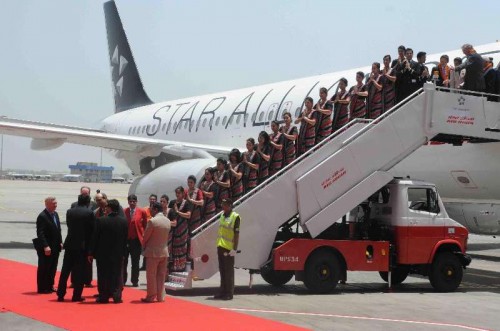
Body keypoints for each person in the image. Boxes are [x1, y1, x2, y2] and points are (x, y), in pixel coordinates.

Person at [56, 194, 95, 302]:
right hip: (82, 246)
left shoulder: (70, 211)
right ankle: (76, 295)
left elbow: (69, 225)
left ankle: (60, 294)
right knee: (80, 272)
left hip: (70, 244)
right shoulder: (89, 213)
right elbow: (91, 231)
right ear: (88, 202)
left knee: (65, 271)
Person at [88, 199, 128, 304]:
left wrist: (91, 252)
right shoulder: (123, 221)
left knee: (103, 275)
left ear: (109, 208)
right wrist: (124, 253)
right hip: (118, 253)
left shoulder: (101, 221)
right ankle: (117, 296)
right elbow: (125, 239)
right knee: (116, 275)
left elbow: (94, 238)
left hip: (103, 254)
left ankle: (104, 296)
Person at [141, 202, 171, 303]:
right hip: (164, 251)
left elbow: (146, 237)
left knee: (151, 275)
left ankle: (151, 296)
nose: (151, 211)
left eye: (152, 209)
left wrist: (143, 245)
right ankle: (160, 296)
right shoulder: (167, 221)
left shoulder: (152, 221)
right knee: (161, 275)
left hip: (153, 252)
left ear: (156, 210)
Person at [214, 198, 240, 301]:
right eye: (222, 204)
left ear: (230, 205)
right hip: (220, 246)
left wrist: (234, 249)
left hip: (229, 248)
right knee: (222, 270)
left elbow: (237, 235)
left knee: (228, 271)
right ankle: (222, 291)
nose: (222, 206)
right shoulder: (222, 215)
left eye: (224, 204)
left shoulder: (235, 217)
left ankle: (229, 293)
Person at [35, 196, 62, 294]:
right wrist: (45, 246)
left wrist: (60, 241)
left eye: (56, 203)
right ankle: (42, 288)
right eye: (53, 203)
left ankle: (50, 285)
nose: (56, 205)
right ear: (47, 204)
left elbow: (58, 230)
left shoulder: (55, 214)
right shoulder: (42, 216)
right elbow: (40, 233)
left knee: (53, 267)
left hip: (55, 246)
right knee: (44, 267)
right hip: (47, 247)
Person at [123, 194, 148, 287]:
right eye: (130, 201)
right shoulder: (124, 211)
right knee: (124, 261)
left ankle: (134, 280)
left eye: (134, 201)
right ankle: (123, 280)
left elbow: (145, 225)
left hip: (136, 240)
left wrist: (143, 237)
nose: (132, 203)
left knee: (135, 262)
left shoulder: (141, 211)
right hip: (126, 240)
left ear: (136, 202)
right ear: (128, 202)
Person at [169, 186, 191, 272]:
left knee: (182, 247)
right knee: (174, 247)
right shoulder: (172, 203)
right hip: (174, 228)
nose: (177, 195)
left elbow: (188, 215)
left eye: (179, 193)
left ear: (183, 194)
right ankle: (174, 266)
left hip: (182, 228)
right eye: (176, 193)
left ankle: (181, 266)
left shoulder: (186, 203)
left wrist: (178, 212)